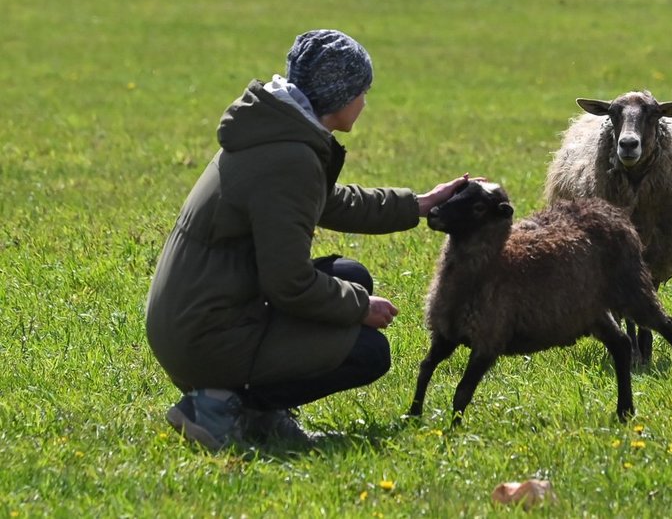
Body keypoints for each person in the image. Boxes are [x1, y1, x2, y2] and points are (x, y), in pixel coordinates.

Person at [145, 29, 470, 451]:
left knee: (352, 274)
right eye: (362, 91)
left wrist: (420, 204)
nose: (365, 102)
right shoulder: (289, 159)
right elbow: (289, 283)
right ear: (339, 95)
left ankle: (257, 411)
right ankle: (219, 407)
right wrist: (359, 307)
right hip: (205, 337)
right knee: (369, 351)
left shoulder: (275, 132)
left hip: (197, 316)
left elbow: (329, 202)